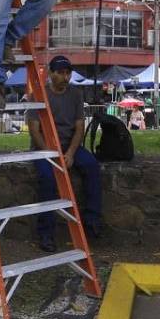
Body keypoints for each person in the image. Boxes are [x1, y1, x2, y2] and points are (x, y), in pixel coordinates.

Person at [27, 56, 103, 252]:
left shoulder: (76, 94)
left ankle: (92, 219)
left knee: (92, 167)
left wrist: (69, 152)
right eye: (60, 73)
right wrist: (49, 153)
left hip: (70, 146)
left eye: (67, 73)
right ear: (51, 74)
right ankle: (46, 233)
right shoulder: (39, 95)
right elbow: (34, 129)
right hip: (45, 148)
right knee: (48, 179)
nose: (65, 77)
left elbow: (79, 127)